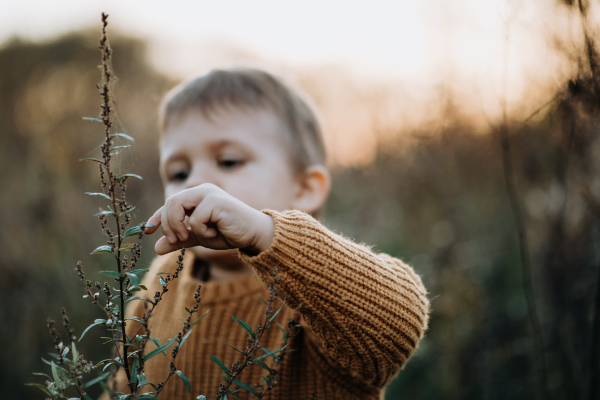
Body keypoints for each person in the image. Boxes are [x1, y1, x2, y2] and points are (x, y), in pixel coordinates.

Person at [108, 67, 429, 400]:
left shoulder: (313, 297)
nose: (196, 182)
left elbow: (396, 326)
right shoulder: (162, 280)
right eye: (179, 171)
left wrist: (263, 231)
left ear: (304, 189)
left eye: (229, 161)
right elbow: (122, 385)